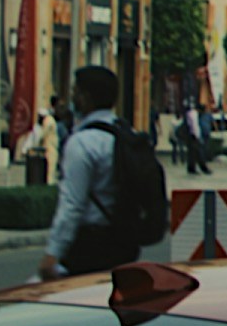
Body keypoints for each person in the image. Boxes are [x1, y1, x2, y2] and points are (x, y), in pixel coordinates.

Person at [45, 65, 170, 277]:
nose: (73, 98)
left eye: (75, 92)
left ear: (85, 98)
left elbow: (72, 205)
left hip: (90, 246)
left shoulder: (82, 143)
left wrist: (52, 253)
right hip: (124, 243)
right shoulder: (125, 133)